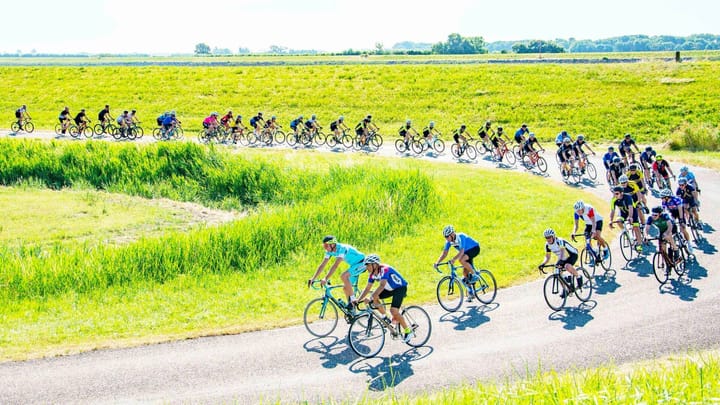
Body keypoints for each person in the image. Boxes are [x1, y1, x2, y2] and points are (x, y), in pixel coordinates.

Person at [356, 254, 414, 343]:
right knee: (375, 297)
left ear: (374, 265)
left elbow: (382, 285)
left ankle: (408, 331)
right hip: (389, 289)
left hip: (400, 288)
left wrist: (371, 298)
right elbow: (367, 288)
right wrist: (357, 300)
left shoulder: (385, 269)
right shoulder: (372, 274)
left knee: (394, 311)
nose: (366, 267)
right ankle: (385, 317)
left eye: (367, 265)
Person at [308, 235, 366, 314]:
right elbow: (322, 265)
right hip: (354, 266)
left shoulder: (342, 248)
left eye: (326, 246)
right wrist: (313, 278)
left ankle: (353, 301)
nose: (325, 248)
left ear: (332, 244)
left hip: (362, 263)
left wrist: (326, 278)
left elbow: (335, 265)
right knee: (346, 288)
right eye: (324, 246)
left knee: (343, 276)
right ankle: (352, 309)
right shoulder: (329, 251)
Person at [433, 225, 481, 301]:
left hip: (474, 248)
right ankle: (471, 292)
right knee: (465, 274)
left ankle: (475, 275)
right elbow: (445, 253)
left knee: (461, 260)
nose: (446, 239)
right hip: (466, 252)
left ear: (452, 234)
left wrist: (454, 259)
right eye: (445, 237)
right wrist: (437, 262)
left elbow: (461, 251)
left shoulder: (461, 236)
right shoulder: (449, 241)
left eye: (447, 237)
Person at [538, 228, 581, 298]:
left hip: (572, 255)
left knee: (567, 266)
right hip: (563, 257)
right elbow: (547, 256)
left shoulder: (559, 241)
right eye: (546, 238)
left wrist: (559, 262)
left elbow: (562, 252)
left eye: (549, 237)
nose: (548, 239)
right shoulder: (547, 245)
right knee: (556, 271)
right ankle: (565, 289)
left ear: (553, 236)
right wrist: (543, 264)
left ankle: (578, 276)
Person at [609, 186, 643, 252]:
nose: (615, 195)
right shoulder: (613, 200)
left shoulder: (628, 197)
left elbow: (630, 207)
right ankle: (625, 232)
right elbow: (612, 211)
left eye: (616, 194)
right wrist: (611, 220)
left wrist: (630, 217)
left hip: (632, 212)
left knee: (636, 227)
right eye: (614, 193)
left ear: (621, 193)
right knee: (618, 220)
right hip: (623, 213)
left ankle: (639, 244)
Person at [659, 188, 693, 253]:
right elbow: (664, 211)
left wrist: (681, 220)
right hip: (672, 212)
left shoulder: (675, 199)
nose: (661, 199)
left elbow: (680, 210)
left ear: (667, 197)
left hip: (679, 211)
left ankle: (689, 243)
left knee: (682, 228)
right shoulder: (664, 202)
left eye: (662, 197)